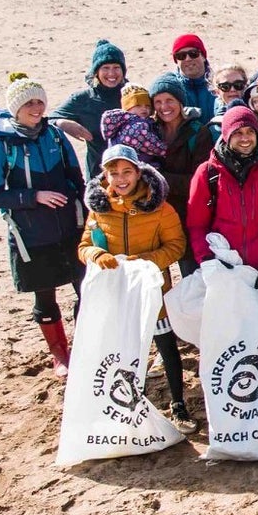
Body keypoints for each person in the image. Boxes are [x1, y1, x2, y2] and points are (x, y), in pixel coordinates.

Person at [0, 74, 87, 375]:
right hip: (32, 235)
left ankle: (83, 347)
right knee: (45, 296)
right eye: (29, 103)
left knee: (85, 289)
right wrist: (34, 196)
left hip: (69, 228)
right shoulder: (0, 145)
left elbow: (75, 178)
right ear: (15, 108)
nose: (36, 107)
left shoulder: (54, 135)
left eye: (40, 101)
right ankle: (60, 356)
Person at [80, 144, 191, 423]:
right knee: (125, 352)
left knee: (166, 348)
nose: (121, 178)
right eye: (113, 173)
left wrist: (146, 261)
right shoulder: (99, 209)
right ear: (105, 176)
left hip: (154, 292)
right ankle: (130, 404)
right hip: (117, 294)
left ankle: (178, 403)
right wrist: (96, 255)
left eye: (126, 171)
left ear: (138, 172)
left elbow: (177, 246)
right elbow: (84, 245)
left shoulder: (160, 208)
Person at [186, 105, 258, 284]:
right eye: (237, 132)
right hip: (224, 268)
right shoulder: (208, 173)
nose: (245, 138)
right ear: (226, 136)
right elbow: (197, 224)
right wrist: (207, 259)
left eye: (250, 131)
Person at [49, 40, 128, 176]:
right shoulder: (83, 99)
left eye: (116, 67)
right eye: (105, 68)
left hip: (131, 175)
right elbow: (48, 120)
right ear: (96, 71)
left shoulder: (132, 94)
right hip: (98, 175)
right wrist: (62, 123)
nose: (111, 73)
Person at [149, 75, 209, 247]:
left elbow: (199, 182)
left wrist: (157, 178)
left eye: (170, 100)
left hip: (187, 212)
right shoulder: (148, 132)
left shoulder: (198, 132)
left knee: (188, 267)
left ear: (181, 102)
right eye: (158, 101)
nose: (164, 107)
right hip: (155, 212)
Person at [102, 84, 165, 164]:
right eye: (138, 105)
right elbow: (149, 143)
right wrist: (165, 150)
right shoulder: (136, 126)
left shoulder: (121, 123)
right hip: (137, 165)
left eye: (147, 106)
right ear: (127, 108)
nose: (144, 108)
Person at [169, 34, 218, 130]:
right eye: (181, 56)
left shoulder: (221, 84)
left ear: (203, 56)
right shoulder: (170, 88)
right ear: (176, 61)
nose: (188, 59)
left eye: (193, 53)